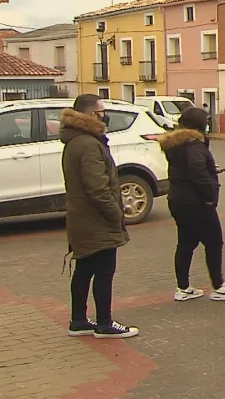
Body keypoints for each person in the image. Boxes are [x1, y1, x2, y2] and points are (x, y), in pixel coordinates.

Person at [61, 94, 138, 339]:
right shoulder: (88, 144)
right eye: (101, 111)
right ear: (91, 115)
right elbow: (97, 187)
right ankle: (105, 323)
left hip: (83, 218)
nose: (105, 115)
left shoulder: (77, 141)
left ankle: (79, 321)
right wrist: (115, 214)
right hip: (95, 220)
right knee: (104, 270)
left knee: (84, 268)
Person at [158, 106, 225, 302]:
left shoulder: (178, 145)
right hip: (195, 202)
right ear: (199, 125)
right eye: (206, 122)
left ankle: (183, 288)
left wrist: (209, 171)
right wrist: (210, 195)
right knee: (214, 242)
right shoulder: (195, 146)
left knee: (186, 243)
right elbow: (197, 172)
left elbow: (188, 169)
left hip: (178, 200)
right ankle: (219, 287)